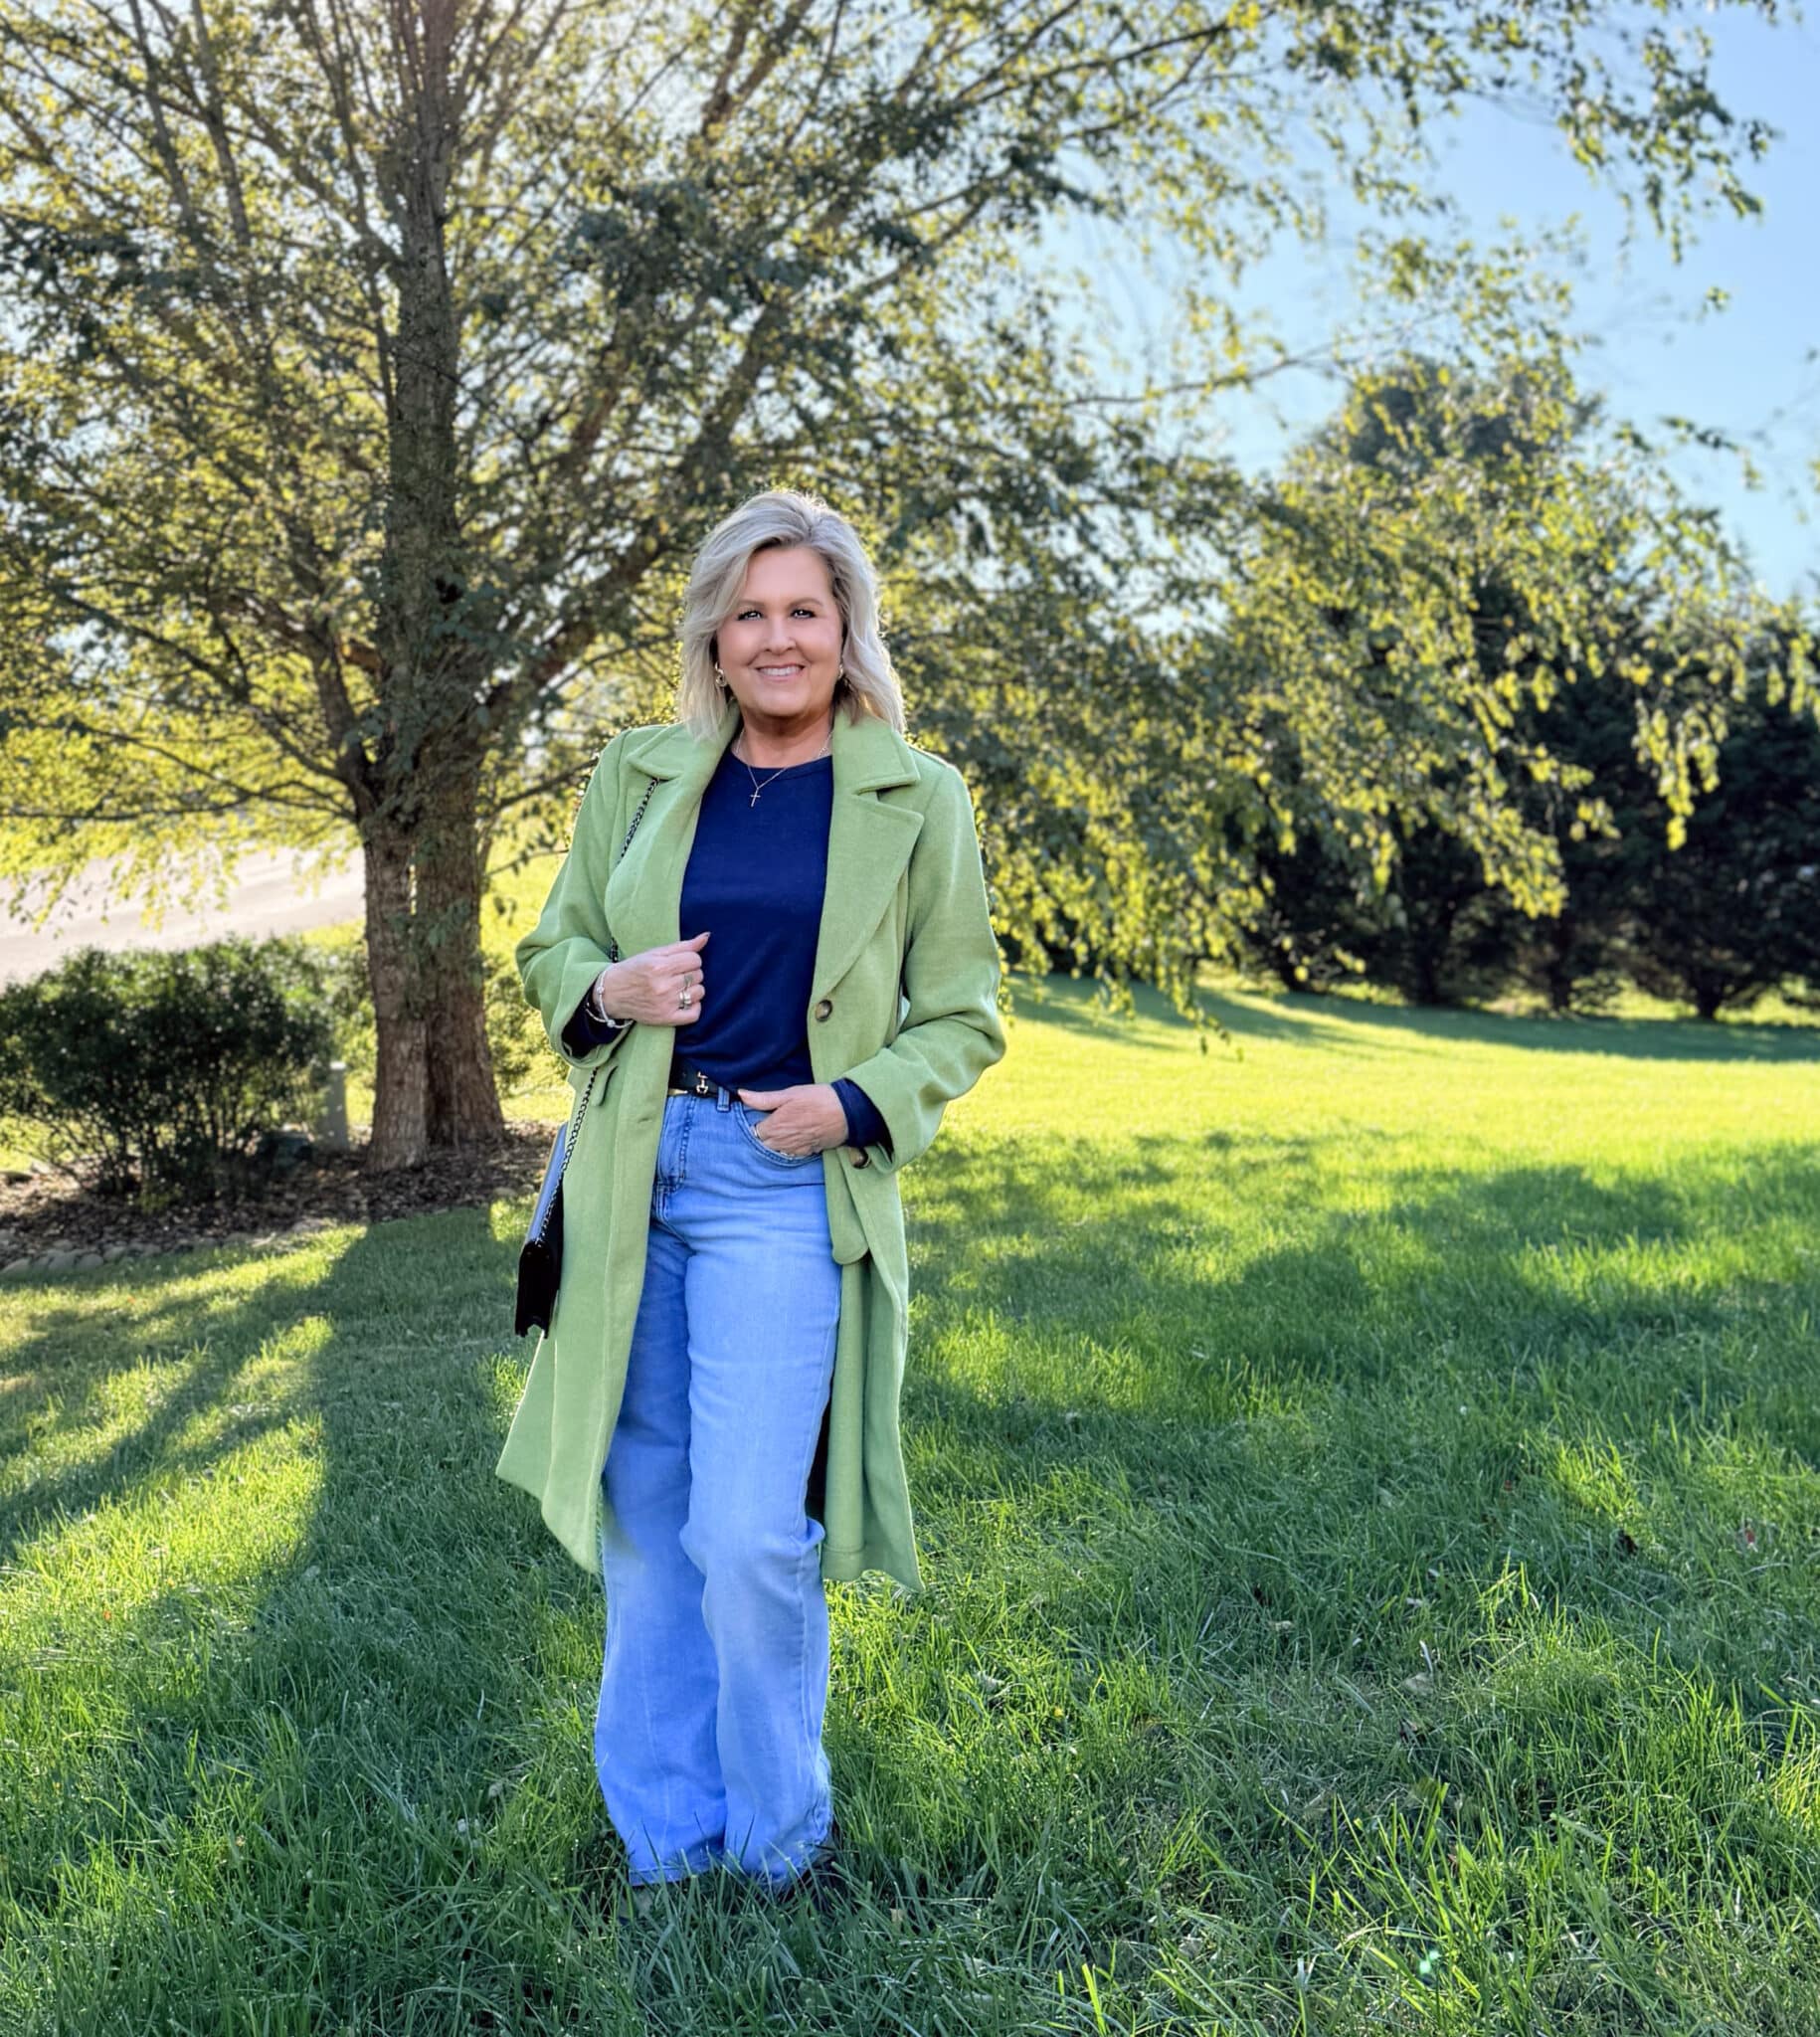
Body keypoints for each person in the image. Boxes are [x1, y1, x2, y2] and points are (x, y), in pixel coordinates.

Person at [495, 487, 1006, 1914]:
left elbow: (964, 1014)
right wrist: (607, 989)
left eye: (803, 610)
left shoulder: (916, 795)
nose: (776, 638)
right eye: (749, 614)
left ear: (845, 632)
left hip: (778, 1180)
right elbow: (557, 947)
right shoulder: (639, 775)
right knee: (645, 1516)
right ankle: (667, 1850)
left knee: (745, 1533)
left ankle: (779, 1845)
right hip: (625, 1172)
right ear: (713, 640)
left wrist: (851, 1102)